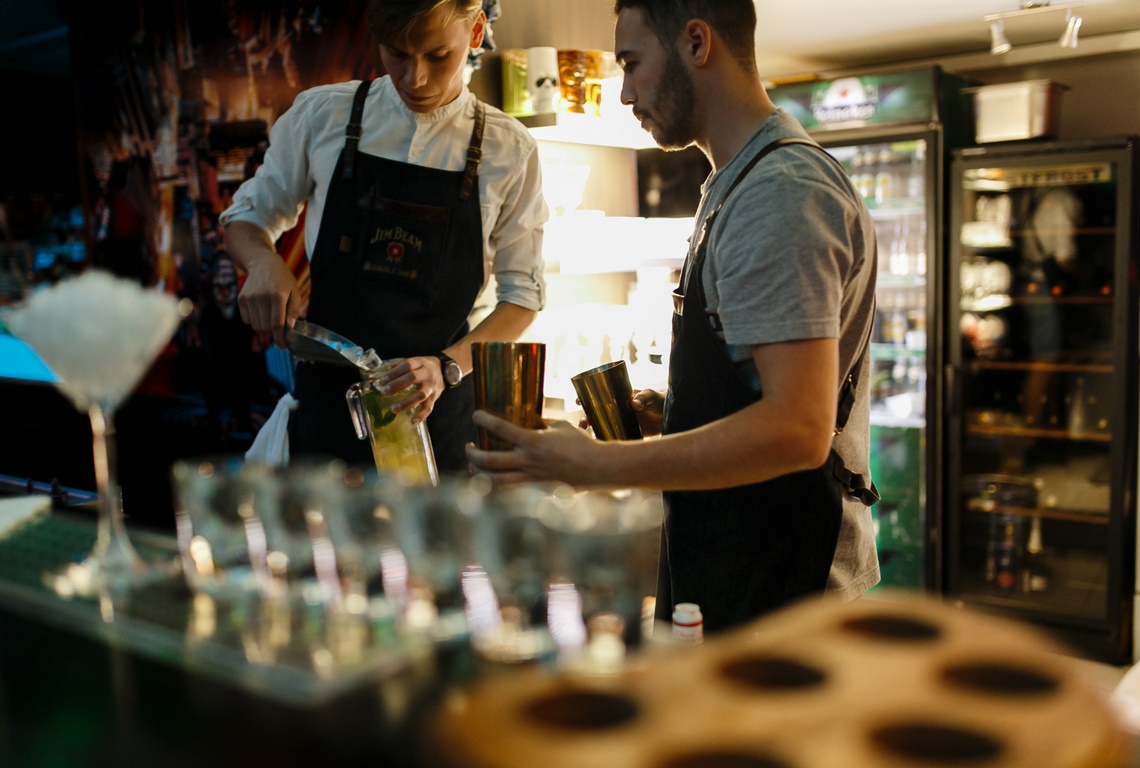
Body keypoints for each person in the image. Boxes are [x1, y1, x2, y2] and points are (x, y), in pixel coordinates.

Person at [466, 0, 880, 634]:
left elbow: (797, 428)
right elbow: (759, 388)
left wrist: (597, 466)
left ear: (696, 42)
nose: (626, 93)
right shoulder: (735, 182)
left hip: (787, 579)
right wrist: (680, 414)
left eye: (631, 64)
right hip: (738, 558)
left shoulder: (779, 192)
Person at [220, 0, 547, 471]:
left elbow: (523, 298)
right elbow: (246, 220)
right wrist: (263, 262)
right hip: (329, 415)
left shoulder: (508, 149)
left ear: (476, 31)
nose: (415, 78)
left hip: (438, 419)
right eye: (397, 53)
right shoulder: (323, 115)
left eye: (437, 55)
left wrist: (446, 366)